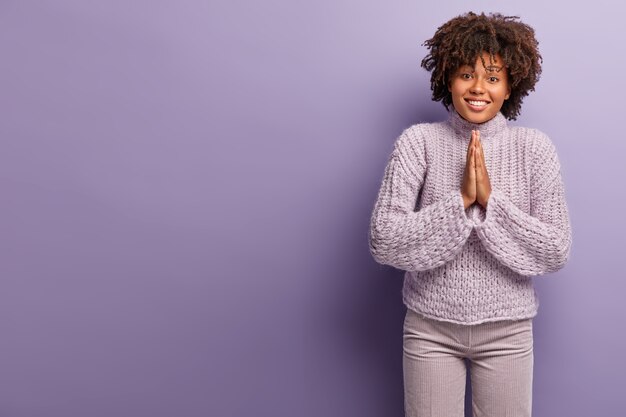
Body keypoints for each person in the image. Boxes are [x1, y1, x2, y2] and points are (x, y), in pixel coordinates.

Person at [367, 11, 572, 417]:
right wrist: (460, 202)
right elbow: (383, 240)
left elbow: (556, 249)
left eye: (493, 77)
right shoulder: (418, 143)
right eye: (466, 74)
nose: (478, 88)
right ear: (448, 78)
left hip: (508, 333)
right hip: (430, 330)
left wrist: (491, 205)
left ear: (511, 85)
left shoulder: (535, 148)